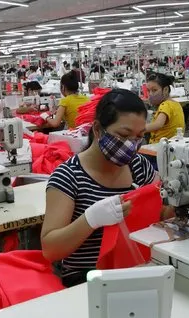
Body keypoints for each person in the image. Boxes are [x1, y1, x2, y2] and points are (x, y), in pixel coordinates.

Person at [41, 89, 174, 287]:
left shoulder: (138, 166)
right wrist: (91, 219)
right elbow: (50, 249)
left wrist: (179, 201)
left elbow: (162, 215)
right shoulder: (68, 176)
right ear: (97, 129)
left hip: (137, 267)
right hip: (87, 279)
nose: (132, 145)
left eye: (139, 136)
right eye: (124, 134)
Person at [145, 73, 185, 144]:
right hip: (174, 144)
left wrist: (138, 129)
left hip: (159, 147)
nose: (150, 94)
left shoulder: (165, 105)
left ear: (165, 90)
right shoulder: (176, 104)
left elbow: (158, 124)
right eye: (148, 91)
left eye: (154, 90)